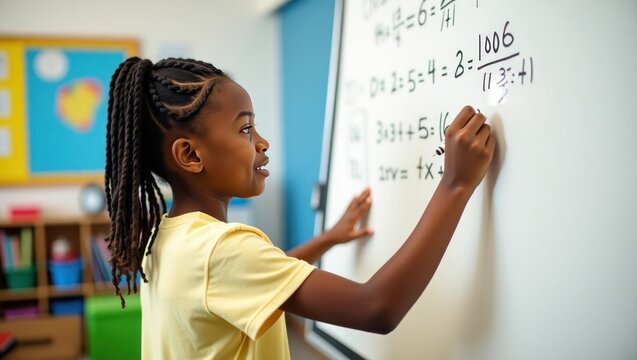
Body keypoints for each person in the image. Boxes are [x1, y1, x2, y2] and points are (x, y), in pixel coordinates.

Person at [105, 57, 495, 359]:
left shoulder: (168, 235)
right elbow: (377, 308)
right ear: (190, 154)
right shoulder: (221, 250)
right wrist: (455, 184)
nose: (263, 143)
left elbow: (254, 279)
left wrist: (329, 238)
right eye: (245, 130)